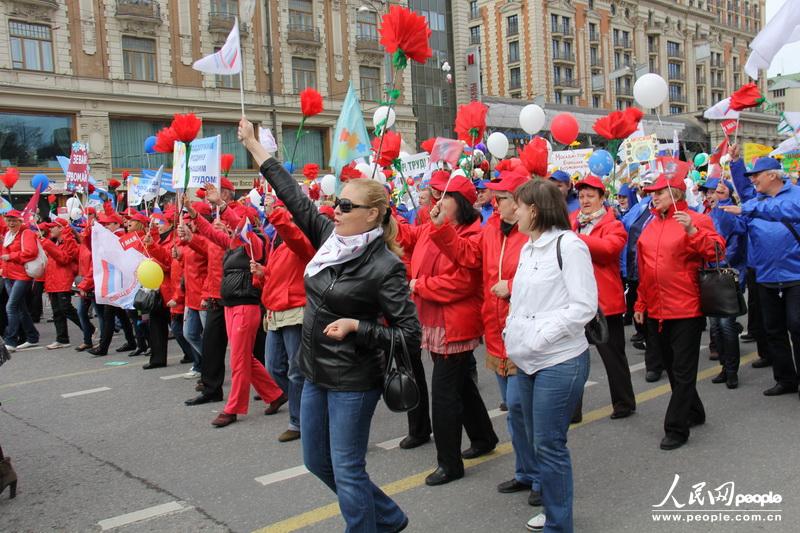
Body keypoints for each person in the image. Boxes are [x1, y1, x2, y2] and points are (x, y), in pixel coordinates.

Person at [240, 116, 415, 533]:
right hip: (313, 369)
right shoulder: (329, 239)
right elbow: (293, 195)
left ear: (372, 215)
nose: (335, 210)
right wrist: (255, 148)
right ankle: (388, 517)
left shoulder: (385, 266)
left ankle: (370, 525)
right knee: (315, 461)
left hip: (354, 379)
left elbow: (410, 335)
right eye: (337, 203)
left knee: (348, 468)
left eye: (346, 206)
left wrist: (358, 325)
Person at [428, 167, 541, 505]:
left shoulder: (538, 235)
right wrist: (441, 230)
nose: (496, 201)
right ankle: (524, 472)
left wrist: (515, 286)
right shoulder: (492, 229)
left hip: (525, 336)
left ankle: (540, 477)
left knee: (524, 410)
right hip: (497, 335)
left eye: (504, 198)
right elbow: (469, 258)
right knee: (514, 411)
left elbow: (551, 280)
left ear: (523, 202)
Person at [504, 179, 597, 532]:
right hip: (528, 359)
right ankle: (554, 508)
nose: (513, 210)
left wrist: (542, 335)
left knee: (549, 443)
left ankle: (560, 524)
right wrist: (513, 334)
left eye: (518, 204)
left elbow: (584, 306)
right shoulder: (528, 247)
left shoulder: (569, 246)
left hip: (560, 360)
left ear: (535, 210)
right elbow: (523, 301)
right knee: (535, 439)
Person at [398, 172, 498, 487]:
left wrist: (419, 285)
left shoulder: (473, 234)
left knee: (444, 396)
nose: (438, 201)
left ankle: (449, 463)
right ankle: (483, 436)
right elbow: (408, 236)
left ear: (463, 204)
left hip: (455, 323)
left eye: (445, 196)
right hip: (436, 320)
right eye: (436, 194)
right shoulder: (433, 227)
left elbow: (461, 283)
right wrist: (382, 214)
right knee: (461, 386)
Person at [633, 173, 725, 450]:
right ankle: (694, 411)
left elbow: (718, 252)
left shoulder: (695, 219)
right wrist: (640, 303)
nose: (653, 196)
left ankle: (676, 428)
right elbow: (645, 270)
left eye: (659, 191)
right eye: (651, 192)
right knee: (672, 369)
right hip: (656, 310)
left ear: (676, 192)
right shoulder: (650, 224)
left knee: (683, 371)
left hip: (686, 308)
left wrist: (693, 232)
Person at [183, 190, 285, 427]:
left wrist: (221, 203)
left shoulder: (256, 243)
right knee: (244, 358)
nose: (222, 223)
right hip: (230, 306)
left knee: (238, 360)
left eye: (229, 221)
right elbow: (208, 232)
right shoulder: (231, 244)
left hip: (246, 307)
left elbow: (240, 225)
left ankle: (233, 408)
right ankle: (276, 394)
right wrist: (192, 211)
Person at [725, 153, 800, 396]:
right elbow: (740, 227)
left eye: (757, 175)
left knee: (797, 327)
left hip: (795, 274)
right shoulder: (754, 201)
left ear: (772, 175)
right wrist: (726, 219)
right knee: (774, 330)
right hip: (766, 276)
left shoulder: (795, 195)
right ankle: (785, 379)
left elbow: (782, 209)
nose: (753, 180)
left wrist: (746, 208)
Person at [570, 176, 636, 419]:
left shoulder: (614, 224)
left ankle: (624, 403)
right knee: (573, 357)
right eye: (582, 196)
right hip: (575, 300)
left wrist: (573, 238)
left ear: (602, 198)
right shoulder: (572, 222)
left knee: (613, 356)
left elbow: (608, 250)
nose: (585, 200)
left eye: (590, 196)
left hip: (605, 302)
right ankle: (573, 409)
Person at [250, 196, 314, 442]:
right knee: (273, 366)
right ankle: (308, 407)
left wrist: (276, 212)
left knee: (296, 371)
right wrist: (262, 273)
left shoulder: (303, 238)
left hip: (295, 310)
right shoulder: (277, 244)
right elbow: (277, 277)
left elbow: (294, 237)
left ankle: (298, 421)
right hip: (276, 311)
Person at [704, 178, 745, 389]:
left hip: (726, 275)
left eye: (717, 191)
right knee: (715, 327)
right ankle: (723, 366)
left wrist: (723, 203)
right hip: (709, 276)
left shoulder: (731, 214)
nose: (711, 195)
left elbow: (735, 247)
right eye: (709, 192)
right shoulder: (704, 215)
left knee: (726, 325)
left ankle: (732, 370)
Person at [88, 213, 138, 357]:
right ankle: (131, 341)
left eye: (108, 224)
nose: (105, 227)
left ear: (117, 224)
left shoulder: (119, 237)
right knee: (121, 314)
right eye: (104, 224)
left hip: (119, 282)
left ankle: (104, 346)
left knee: (110, 314)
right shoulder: (111, 238)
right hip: (115, 281)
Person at [39, 218, 84, 349]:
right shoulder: (57, 242)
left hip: (63, 281)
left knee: (67, 309)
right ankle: (62, 339)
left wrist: (48, 245)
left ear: (61, 228)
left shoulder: (69, 242)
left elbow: (65, 259)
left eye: (53, 226)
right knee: (57, 312)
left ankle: (89, 329)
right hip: (53, 282)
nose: (50, 229)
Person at [1, 210, 40, 352]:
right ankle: (32, 336)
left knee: (10, 307)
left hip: (22, 275)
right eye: (8, 220)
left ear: (20, 221)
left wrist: (11, 256)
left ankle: (10, 340)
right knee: (20, 308)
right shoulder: (8, 234)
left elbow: (31, 252)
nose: (11, 223)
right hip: (8, 274)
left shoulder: (27, 233)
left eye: (14, 220)